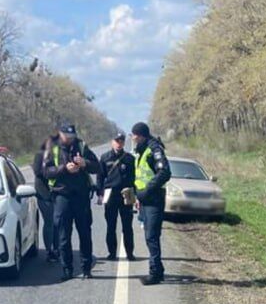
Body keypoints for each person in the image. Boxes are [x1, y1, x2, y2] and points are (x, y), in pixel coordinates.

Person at [40, 123, 100, 279]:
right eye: (68, 137)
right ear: (60, 134)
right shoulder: (52, 149)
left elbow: (98, 167)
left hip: (81, 196)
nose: (71, 139)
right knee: (63, 235)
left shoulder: (82, 146)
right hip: (62, 196)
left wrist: (85, 163)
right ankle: (67, 270)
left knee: (85, 233)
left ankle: (86, 268)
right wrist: (64, 168)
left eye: (73, 136)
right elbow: (46, 172)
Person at [130, 121, 170, 285]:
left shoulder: (154, 149)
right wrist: (138, 197)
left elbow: (165, 172)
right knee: (149, 237)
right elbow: (140, 176)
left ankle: (154, 273)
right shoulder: (141, 151)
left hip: (153, 199)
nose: (132, 138)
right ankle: (158, 270)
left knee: (151, 236)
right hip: (145, 200)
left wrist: (147, 190)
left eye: (133, 135)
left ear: (139, 135)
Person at [97, 133, 136, 261]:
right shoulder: (104, 157)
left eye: (121, 141)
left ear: (124, 143)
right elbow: (100, 177)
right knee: (111, 226)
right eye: (117, 141)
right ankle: (112, 253)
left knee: (127, 226)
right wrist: (100, 193)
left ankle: (129, 253)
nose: (119, 143)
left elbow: (134, 178)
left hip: (126, 194)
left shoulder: (130, 158)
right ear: (112, 142)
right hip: (111, 195)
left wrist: (134, 195)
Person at [31, 133, 60, 263]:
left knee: (58, 223)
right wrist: (51, 168)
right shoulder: (40, 155)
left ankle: (58, 248)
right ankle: (49, 250)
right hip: (44, 195)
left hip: (58, 193)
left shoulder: (60, 155)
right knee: (49, 222)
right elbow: (38, 172)